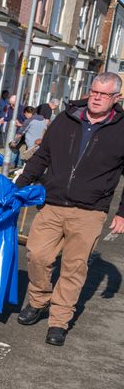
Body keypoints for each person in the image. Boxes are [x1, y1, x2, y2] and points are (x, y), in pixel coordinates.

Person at [15, 72, 124, 346]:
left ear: (117, 98)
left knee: (74, 268)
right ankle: (39, 300)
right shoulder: (66, 119)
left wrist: (122, 212)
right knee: (37, 255)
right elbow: (43, 156)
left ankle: (59, 320)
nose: (97, 98)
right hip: (52, 204)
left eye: (104, 94)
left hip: (90, 211)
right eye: (94, 92)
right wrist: (20, 186)